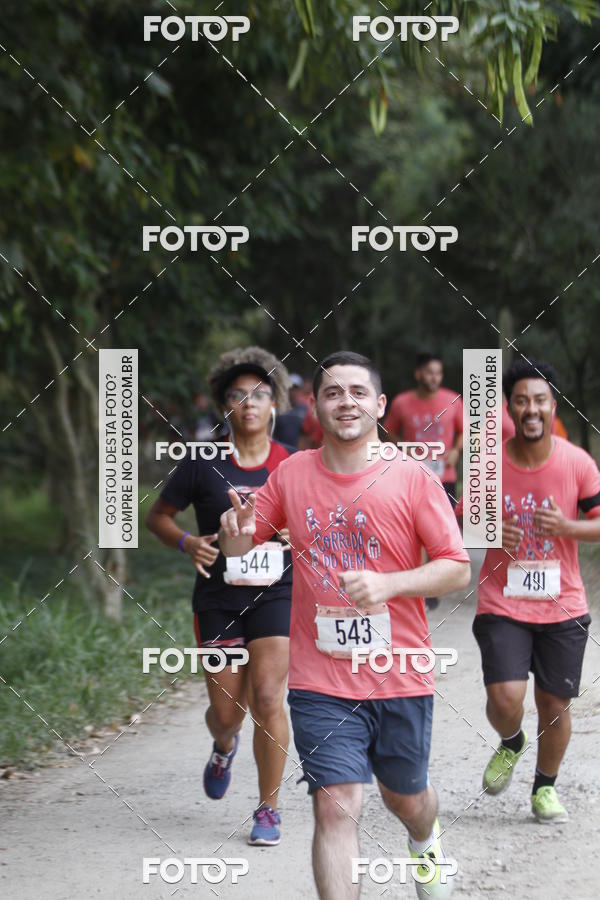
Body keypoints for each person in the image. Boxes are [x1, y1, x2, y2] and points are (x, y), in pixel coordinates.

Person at [219, 350, 471, 899]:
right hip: (320, 683)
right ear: (315, 405)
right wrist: (234, 527)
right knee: (337, 808)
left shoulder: (411, 477)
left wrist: (391, 584)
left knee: (406, 799)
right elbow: (241, 547)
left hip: (399, 673)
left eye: (358, 391)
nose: (346, 401)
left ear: (380, 405)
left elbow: (456, 568)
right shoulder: (291, 474)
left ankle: (425, 841)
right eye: (332, 392)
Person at [146, 346, 295, 846]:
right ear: (225, 407)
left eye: (259, 393)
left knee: (270, 698)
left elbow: (323, 520)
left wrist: (301, 535)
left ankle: (269, 809)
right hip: (218, 600)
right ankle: (223, 743)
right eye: (237, 395)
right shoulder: (202, 461)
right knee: (229, 712)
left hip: (277, 594)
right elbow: (158, 517)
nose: (248, 402)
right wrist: (188, 542)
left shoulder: (294, 465)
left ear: (275, 403)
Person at [457, 358, 600, 823]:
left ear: (552, 406)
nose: (531, 409)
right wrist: (492, 531)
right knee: (505, 699)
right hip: (504, 601)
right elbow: (460, 521)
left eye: (540, 400)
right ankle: (513, 740)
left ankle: (544, 787)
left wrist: (568, 527)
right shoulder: (488, 462)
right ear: (509, 408)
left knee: (554, 705)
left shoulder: (578, 461)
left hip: (564, 603)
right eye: (522, 401)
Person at [384, 352, 463, 611]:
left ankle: (434, 581)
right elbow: (387, 432)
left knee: (441, 530)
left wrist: (456, 451)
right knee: (411, 529)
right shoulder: (402, 403)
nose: (434, 378)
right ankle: (416, 579)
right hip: (410, 478)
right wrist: (403, 450)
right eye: (429, 372)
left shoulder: (452, 400)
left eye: (438, 373)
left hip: (444, 476)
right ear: (418, 374)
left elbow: (467, 430)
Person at [273, 373, 309, 447]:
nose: (292, 391)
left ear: (300, 390)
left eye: (295, 388)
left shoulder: (305, 410)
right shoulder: (278, 408)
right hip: (281, 452)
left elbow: (308, 436)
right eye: (290, 388)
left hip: (298, 453)